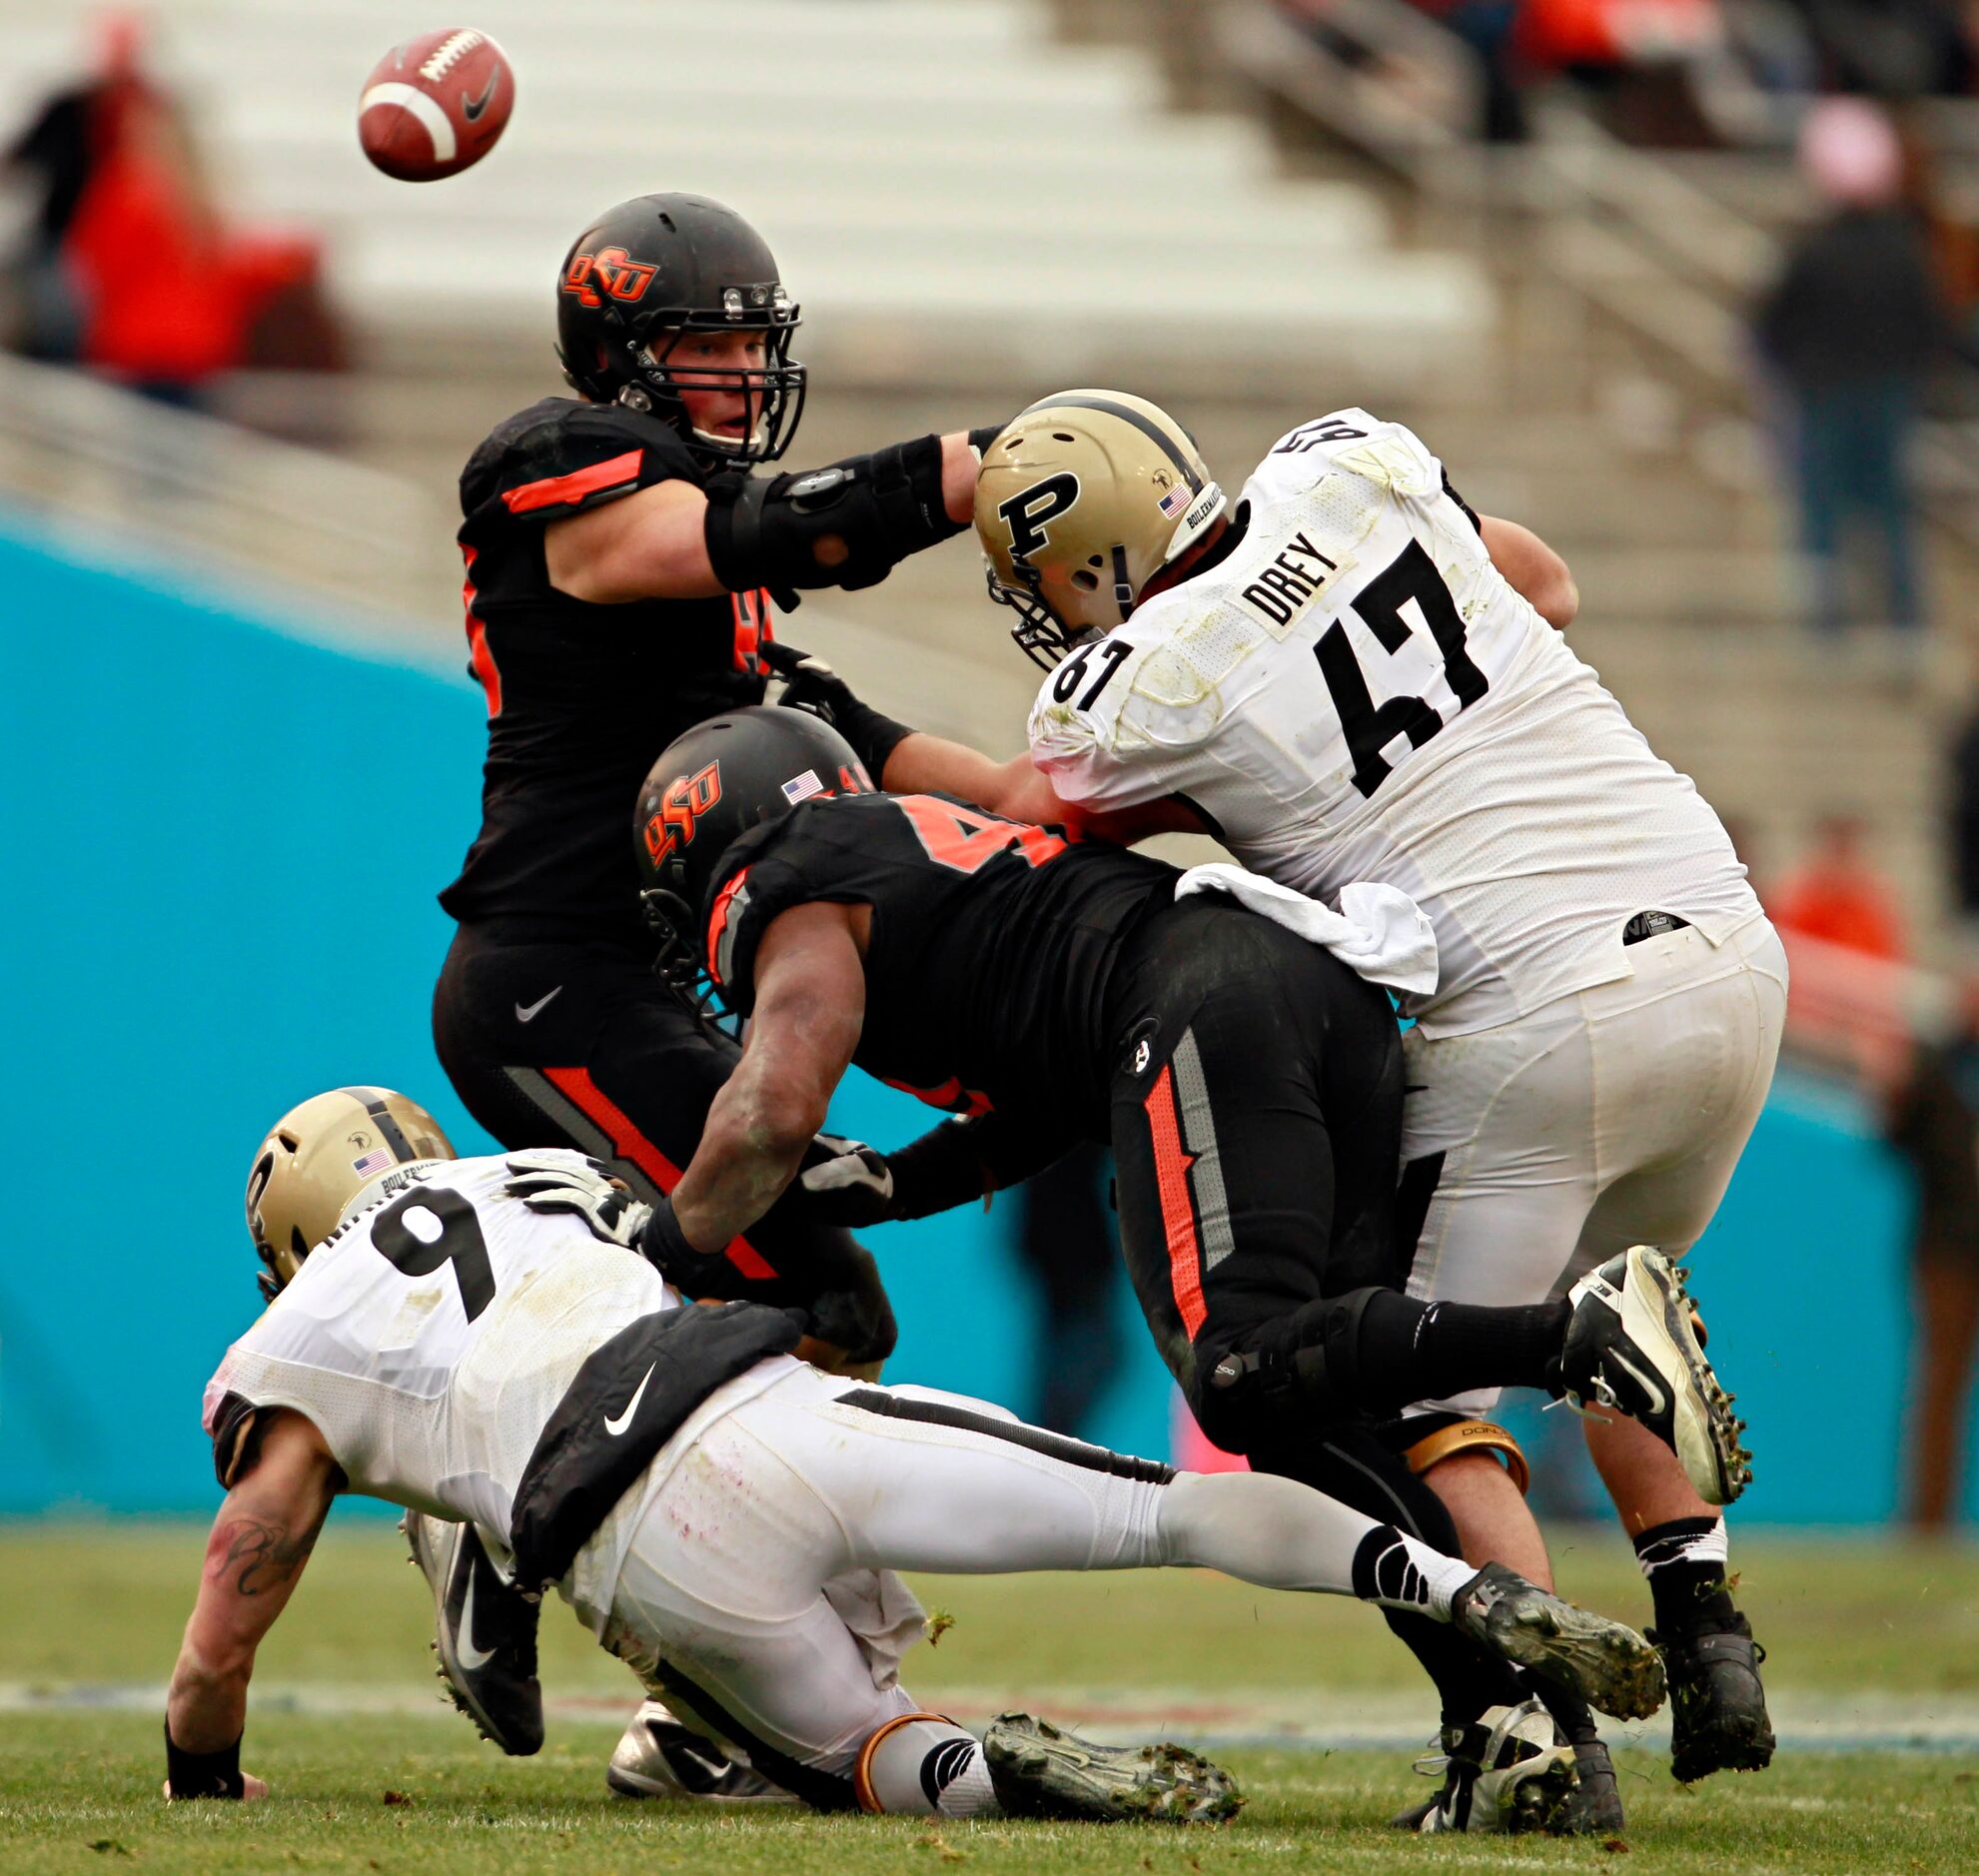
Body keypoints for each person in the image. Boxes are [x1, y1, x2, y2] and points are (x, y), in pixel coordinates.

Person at [785, 390, 1785, 1818]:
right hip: (1725, 944)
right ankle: (1701, 1619)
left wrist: (858, 730)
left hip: (1537, 1009)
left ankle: (1541, 1749)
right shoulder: (1348, 461)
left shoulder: (1136, 679)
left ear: (1081, 566)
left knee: (1427, 1402)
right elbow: (1544, 584)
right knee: (1614, 1283)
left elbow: (1024, 811)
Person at [626, 705, 1740, 1829]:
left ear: (711, 833)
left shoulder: (788, 874)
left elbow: (772, 1104)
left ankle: (1574, 1338)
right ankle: (1519, 1741)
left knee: (1241, 1365)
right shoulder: (902, 845)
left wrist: (661, 1251)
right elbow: (1050, 1081)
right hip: (1289, 985)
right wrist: (905, 1184)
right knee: (1318, 1412)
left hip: (1196, 998)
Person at [165, 1085, 1665, 1818]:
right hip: (749, 1409)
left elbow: (262, 1543)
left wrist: (199, 1750)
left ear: (294, 1243)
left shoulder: (315, 1324)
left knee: (859, 1746)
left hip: (643, 1563)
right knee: (1160, 1510)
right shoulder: (536, 1172)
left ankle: (986, 1770)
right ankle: (1453, 1594)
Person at [420, 190, 1001, 1781]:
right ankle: (511, 1523)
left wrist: (1110, 797)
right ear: (619, 361)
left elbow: (884, 752)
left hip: (634, 990)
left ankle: (694, 1698)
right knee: (804, 1298)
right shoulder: (576, 488)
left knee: (806, 1308)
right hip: (549, 981)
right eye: (705, 343)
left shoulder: (718, 608)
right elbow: (744, 530)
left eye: (753, 343)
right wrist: (955, 476)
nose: (741, 374)